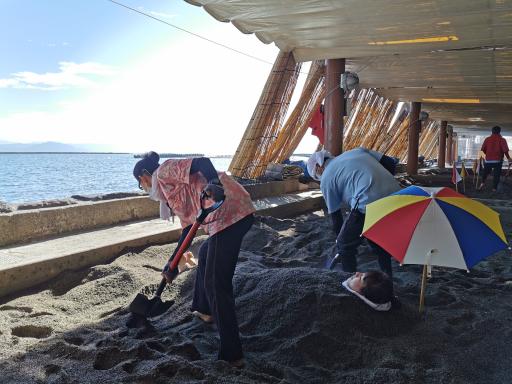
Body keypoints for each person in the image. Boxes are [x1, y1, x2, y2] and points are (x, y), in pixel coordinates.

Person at [133, 152, 255, 367]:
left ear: (144, 176)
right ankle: (205, 310)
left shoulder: (164, 171)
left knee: (217, 284)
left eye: (141, 184)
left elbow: (201, 162)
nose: (144, 188)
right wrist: (172, 264)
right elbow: (189, 229)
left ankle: (232, 354)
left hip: (229, 214)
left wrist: (214, 183)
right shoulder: (170, 195)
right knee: (207, 251)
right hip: (227, 217)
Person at [307, 147, 401, 277]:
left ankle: (349, 278)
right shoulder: (357, 151)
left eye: (316, 175)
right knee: (375, 236)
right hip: (397, 196)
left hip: (368, 200)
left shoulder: (326, 179)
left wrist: (340, 240)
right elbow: (390, 163)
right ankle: (387, 275)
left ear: (319, 167)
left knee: (345, 244)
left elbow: (336, 218)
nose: (319, 177)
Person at [478, 126, 511, 192]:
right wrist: (509, 158)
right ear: (499, 132)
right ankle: (494, 188)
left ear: (492, 131)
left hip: (488, 160)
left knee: (485, 172)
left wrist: (482, 158)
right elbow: (505, 151)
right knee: (497, 174)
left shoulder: (487, 139)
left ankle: (482, 183)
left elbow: (482, 150)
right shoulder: (502, 140)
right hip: (498, 161)